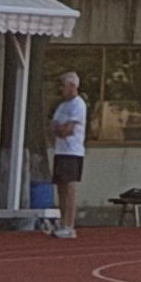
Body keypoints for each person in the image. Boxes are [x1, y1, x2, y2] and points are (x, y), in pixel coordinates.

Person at [47, 68, 87, 237]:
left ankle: (70, 225)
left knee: (69, 188)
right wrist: (58, 129)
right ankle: (62, 222)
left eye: (63, 85)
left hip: (73, 151)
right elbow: (52, 127)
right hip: (60, 151)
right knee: (61, 187)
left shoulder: (78, 104)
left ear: (72, 86)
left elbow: (67, 130)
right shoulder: (62, 106)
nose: (61, 89)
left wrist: (60, 129)